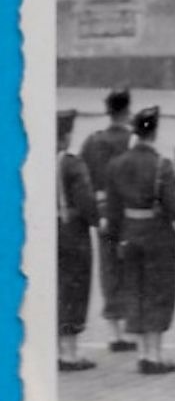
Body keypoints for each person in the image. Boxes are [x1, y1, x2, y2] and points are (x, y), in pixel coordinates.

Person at [104, 107, 175, 374]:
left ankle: (141, 352)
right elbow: (174, 207)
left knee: (135, 290)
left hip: (129, 231)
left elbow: (113, 208)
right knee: (158, 292)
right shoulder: (162, 165)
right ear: (155, 132)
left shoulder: (117, 164)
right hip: (157, 234)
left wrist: (115, 237)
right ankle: (154, 354)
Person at [80, 87, 136, 352]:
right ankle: (128, 327)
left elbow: (82, 178)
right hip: (128, 210)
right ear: (126, 111)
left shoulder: (92, 141)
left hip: (103, 211)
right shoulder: (132, 141)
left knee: (109, 268)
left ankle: (114, 331)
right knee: (131, 268)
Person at [56, 110, 98, 372]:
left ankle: (57, 347)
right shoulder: (72, 164)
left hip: (43, 230)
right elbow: (86, 202)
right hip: (71, 231)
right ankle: (69, 353)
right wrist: (96, 220)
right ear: (67, 135)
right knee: (74, 287)